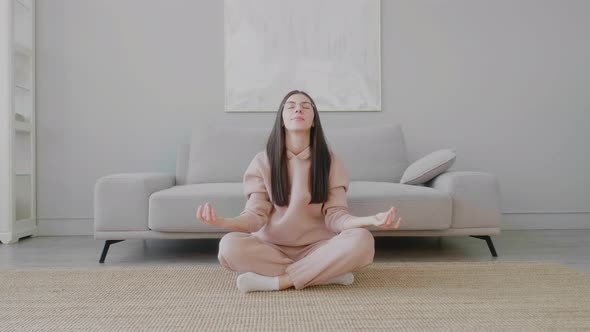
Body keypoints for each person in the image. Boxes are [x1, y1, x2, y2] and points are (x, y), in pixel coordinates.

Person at [196, 90, 402, 293]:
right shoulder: (262, 161)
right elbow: (254, 218)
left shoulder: (330, 162)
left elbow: (336, 217)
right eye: (291, 106)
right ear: (282, 120)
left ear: (313, 121)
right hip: (271, 248)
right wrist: (221, 222)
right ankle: (323, 275)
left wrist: (371, 220)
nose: (298, 109)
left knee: (362, 240)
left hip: (319, 248)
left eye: (305, 106)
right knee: (229, 246)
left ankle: (278, 281)